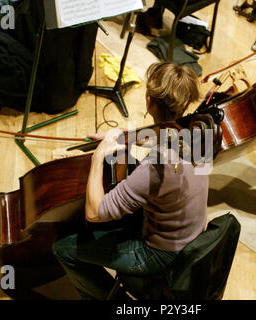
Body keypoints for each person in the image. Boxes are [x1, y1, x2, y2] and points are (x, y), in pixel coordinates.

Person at [52, 62, 207, 300]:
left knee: (63, 249)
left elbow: (94, 212)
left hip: (159, 253)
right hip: (189, 235)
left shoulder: (157, 168)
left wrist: (97, 158)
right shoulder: (196, 134)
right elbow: (161, 134)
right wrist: (125, 136)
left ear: (149, 100)